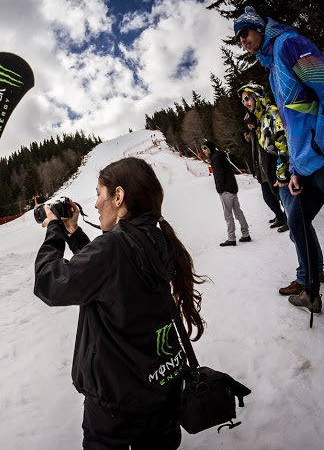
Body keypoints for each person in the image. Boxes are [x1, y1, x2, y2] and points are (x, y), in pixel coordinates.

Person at [34, 157, 206, 449]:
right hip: (162, 392)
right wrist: (74, 233)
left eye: (100, 194)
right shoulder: (156, 235)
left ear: (118, 196)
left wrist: (54, 229)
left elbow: (50, 283)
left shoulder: (115, 246)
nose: (97, 204)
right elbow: (111, 275)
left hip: (119, 408)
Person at [234, 6, 324, 316]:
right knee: (297, 220)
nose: (242, 41)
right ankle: (310, 291)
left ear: (259, 28)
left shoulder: (288, 44)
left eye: (245, 33)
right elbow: (291, 124)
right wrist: (293, 169)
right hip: (305, 165)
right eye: (238, 38)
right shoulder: (272, 63)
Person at [239, 83, 324, 298]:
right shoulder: (261, 120)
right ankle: (316, 270)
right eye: (242, 101)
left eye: (247, 98)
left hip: (286, 180)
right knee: (301, 227)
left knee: (298, 229)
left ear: (258, 96)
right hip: (278, 179)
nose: (245, 103)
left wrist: (282, 176)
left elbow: (283, 145)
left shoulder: (272, 113)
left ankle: (306, 277)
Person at [241, 112, 287, 231]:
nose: (249, 126)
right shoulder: (253, 136)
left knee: (280, 196)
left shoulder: (263, 132)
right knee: (268, 198)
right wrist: (255, 171)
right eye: (247, 124)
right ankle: (279, 216)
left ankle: (287, 219)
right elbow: (254, 155)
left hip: (271, 170)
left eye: (250, 123)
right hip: (262, 173)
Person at [201, 141, 251, 246]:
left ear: (209, 149)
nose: (203, 151)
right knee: (238, 212)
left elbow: (219, 176)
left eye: (205, 148)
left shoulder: (215, 159)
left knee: (228, 215)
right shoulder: (221, 156)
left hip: (226, 190)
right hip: (232, 189)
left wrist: (220, 190)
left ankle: (231, 238)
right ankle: (246, 234)